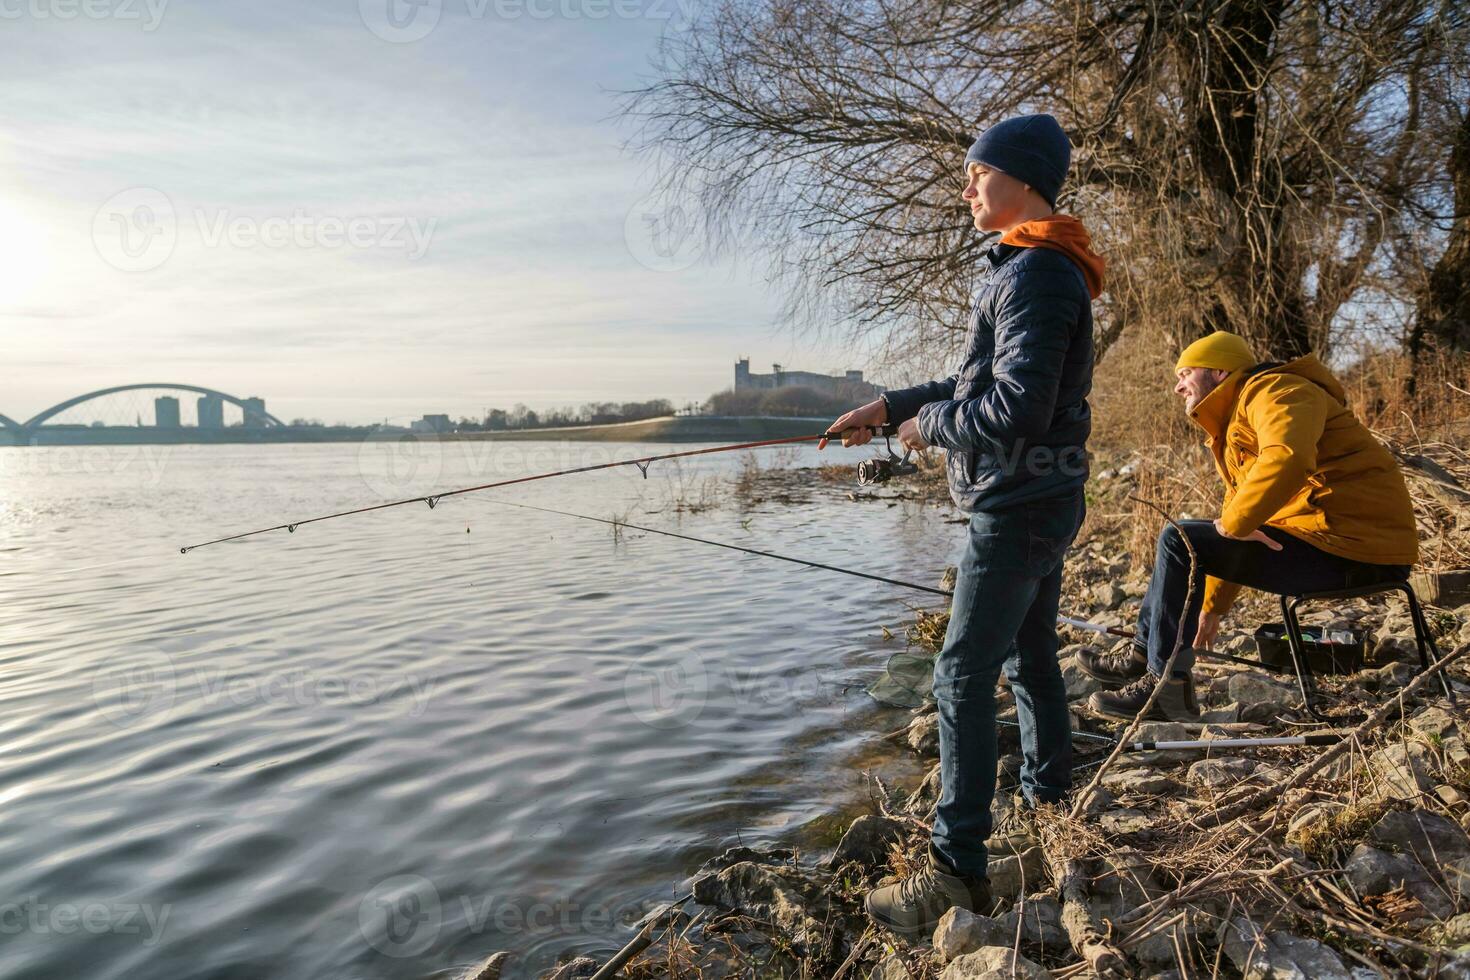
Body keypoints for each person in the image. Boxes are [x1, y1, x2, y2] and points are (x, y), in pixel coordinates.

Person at [820, 113, 1105, 937]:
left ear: (1019, 177)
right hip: (1038, 499)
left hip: (1016, 507)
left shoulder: (1038, 274)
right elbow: (979, 376)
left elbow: (1016, 407)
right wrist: (890, 407)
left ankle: (955, 874)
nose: (966, 186)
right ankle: (1050, 802)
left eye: (976, 172)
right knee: (1031, 652)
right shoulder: (1033, 269)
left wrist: (927, 428)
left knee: (958, 676)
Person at [1079, 330, 1419, 721]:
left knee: (1179, 538)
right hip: (1330, 541)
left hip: (1356, 549)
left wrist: (1237, 520)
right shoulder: (1236, 423)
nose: (1177, 387)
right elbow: (1233, 522)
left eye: (1186, 373)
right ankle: (1144, 658)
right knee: (1186, 538)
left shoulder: (1277, 390)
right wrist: (1213, 607)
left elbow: (1287, 459)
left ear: (1220, 372)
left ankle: (1165, 689)